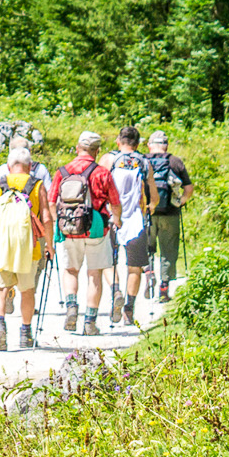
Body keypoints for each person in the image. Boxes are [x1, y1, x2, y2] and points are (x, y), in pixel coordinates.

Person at [0, 148, 53, 351]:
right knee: (27, 290)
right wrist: (50, 245)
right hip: (29, 247)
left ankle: (0, 325)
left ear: (9, 167)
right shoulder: (37, 185)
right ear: (30, 167)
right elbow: (46, 217)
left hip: (0, 245)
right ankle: (26, 334)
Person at [52, 132, 122, 337]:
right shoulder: (102, 172)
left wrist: (60, 224)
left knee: (71, 270)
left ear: (77, 148)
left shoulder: (62, 171)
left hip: (69, 228)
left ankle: (71, 306)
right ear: (97, 151)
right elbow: (115, 203)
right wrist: (117, 219)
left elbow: (51, 200)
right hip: (96, 227)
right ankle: (90, 322)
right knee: (95, 274)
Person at [99, 127, 156, 326]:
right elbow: (153, 196)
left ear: (118, 141)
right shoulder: (144, 162)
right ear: (138, 144)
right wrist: (151, 207)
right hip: (136, 221)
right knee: (135, 267)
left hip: (111, 217)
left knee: (107, 262)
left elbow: (98, 187)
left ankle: (116, 291)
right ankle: (129, 311)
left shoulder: (108, 160)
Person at [146, 130, 196, 301]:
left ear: (149, 145)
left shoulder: (142, 160)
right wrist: (179, 202)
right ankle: (164, 288)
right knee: (168, 251)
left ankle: (149, 272)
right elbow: (188, 189)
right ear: (166, 145)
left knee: (147, 246)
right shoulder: (175, 161)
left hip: (147, 213)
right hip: (170, 213)